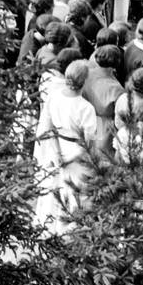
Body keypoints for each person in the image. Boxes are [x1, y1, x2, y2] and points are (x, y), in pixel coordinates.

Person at [33, 59, 98, 234]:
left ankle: (52, 231)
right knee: (75, 196)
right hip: (76, 157)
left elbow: (48, 128)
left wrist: (57, 153)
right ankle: (70, 233)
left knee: (55, 192)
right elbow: (88, 142)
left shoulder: (54, 97)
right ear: (84, 82)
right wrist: (67, 158)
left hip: (56, 150)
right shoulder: (86, 108)